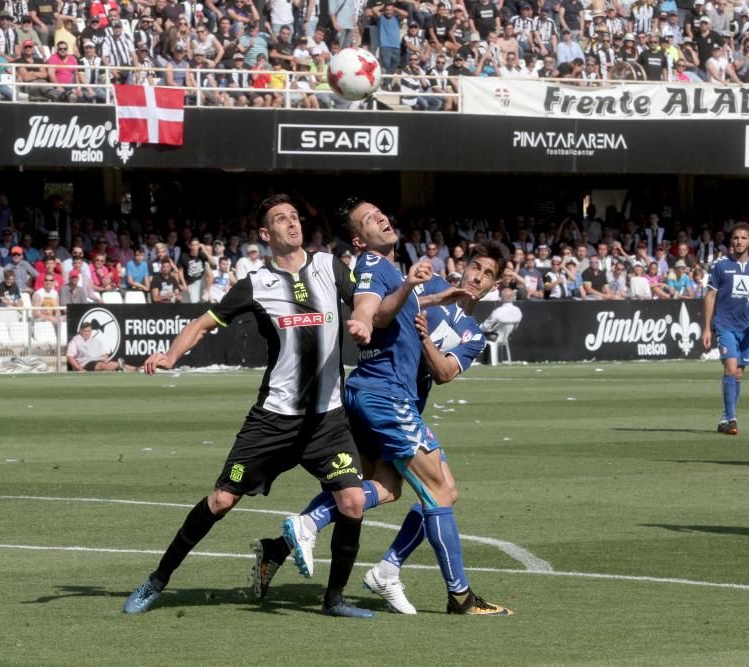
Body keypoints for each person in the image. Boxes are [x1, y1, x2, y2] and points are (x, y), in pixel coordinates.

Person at [253, 197, 512, 617]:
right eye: (475, 268)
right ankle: (451, 593)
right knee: (441, 490)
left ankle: (281, 547)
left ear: (495, 284)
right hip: (385, 397)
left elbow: (445, 372)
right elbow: (384, 305)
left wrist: (424, 334)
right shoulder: (425, 284)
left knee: (384, 488)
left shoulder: (473, 335)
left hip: (387, 400)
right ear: (464, 266)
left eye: (487, 275)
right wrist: (413, 295)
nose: (477, 278)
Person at [122, 194, 372, 619]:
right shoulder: (256, 284)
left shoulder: (329, 266)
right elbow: (203, 322)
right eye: (280, 219)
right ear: (264, 234)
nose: (292, 224)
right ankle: (156, 581)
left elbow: (365, 297)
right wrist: (170, 355)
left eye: (295, 217)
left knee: (352, 502)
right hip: (273, 421)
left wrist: (363, 317)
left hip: (327, 421)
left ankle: (335, 600)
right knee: (221, 500)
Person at [702, 223, 749, 436]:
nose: (739, 241)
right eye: (735, 238)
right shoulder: (721, 265)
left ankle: (726, 416)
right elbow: (710, 295)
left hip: (747, 327)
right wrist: (707, 327)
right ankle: (732, 419)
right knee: (731, 368)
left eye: (743, 238)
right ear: (731, 241)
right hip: (724, 325)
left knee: (739, 374)